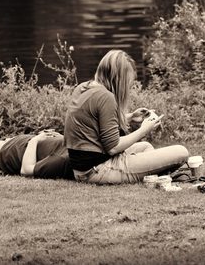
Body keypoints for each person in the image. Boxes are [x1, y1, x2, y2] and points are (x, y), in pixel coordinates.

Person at [64, 49, 189, 184]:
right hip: (98, 169)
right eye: (128, 80)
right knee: (181, 152)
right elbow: (113, 147)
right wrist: (144, 129)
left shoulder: (84, 87)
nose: (130, 85)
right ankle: (149, 174)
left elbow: (94, 122)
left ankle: (150, 174)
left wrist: (129, 117)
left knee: (145, 147)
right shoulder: (106, 97)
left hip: (82, 168)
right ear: (118, 78)